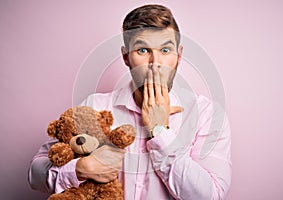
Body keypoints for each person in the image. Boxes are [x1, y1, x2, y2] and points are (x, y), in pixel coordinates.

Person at [28, 4, 231, 200]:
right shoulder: (96, 107)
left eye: (166, 50)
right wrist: (80, 169)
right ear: (126, 57)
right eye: (143, 50)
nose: (155, 63)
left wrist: (160, 131)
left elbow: (210, 195)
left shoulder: (207, 114)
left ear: (178, 56)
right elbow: (35, 173)